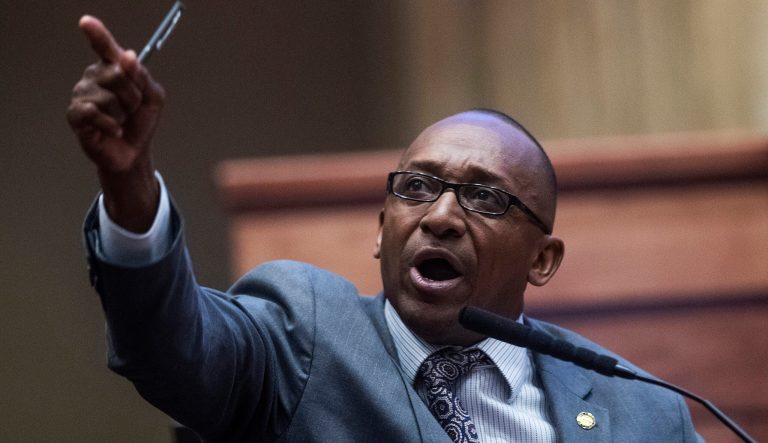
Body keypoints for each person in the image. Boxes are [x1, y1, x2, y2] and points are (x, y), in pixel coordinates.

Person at [67, 15, 701, 443]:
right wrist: (129, 184)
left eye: (484, 197)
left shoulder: (642, 411)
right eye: (417, 188)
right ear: (380, 230)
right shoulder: (300, 337)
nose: (440, 217)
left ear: (542, 260)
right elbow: (171, 347)